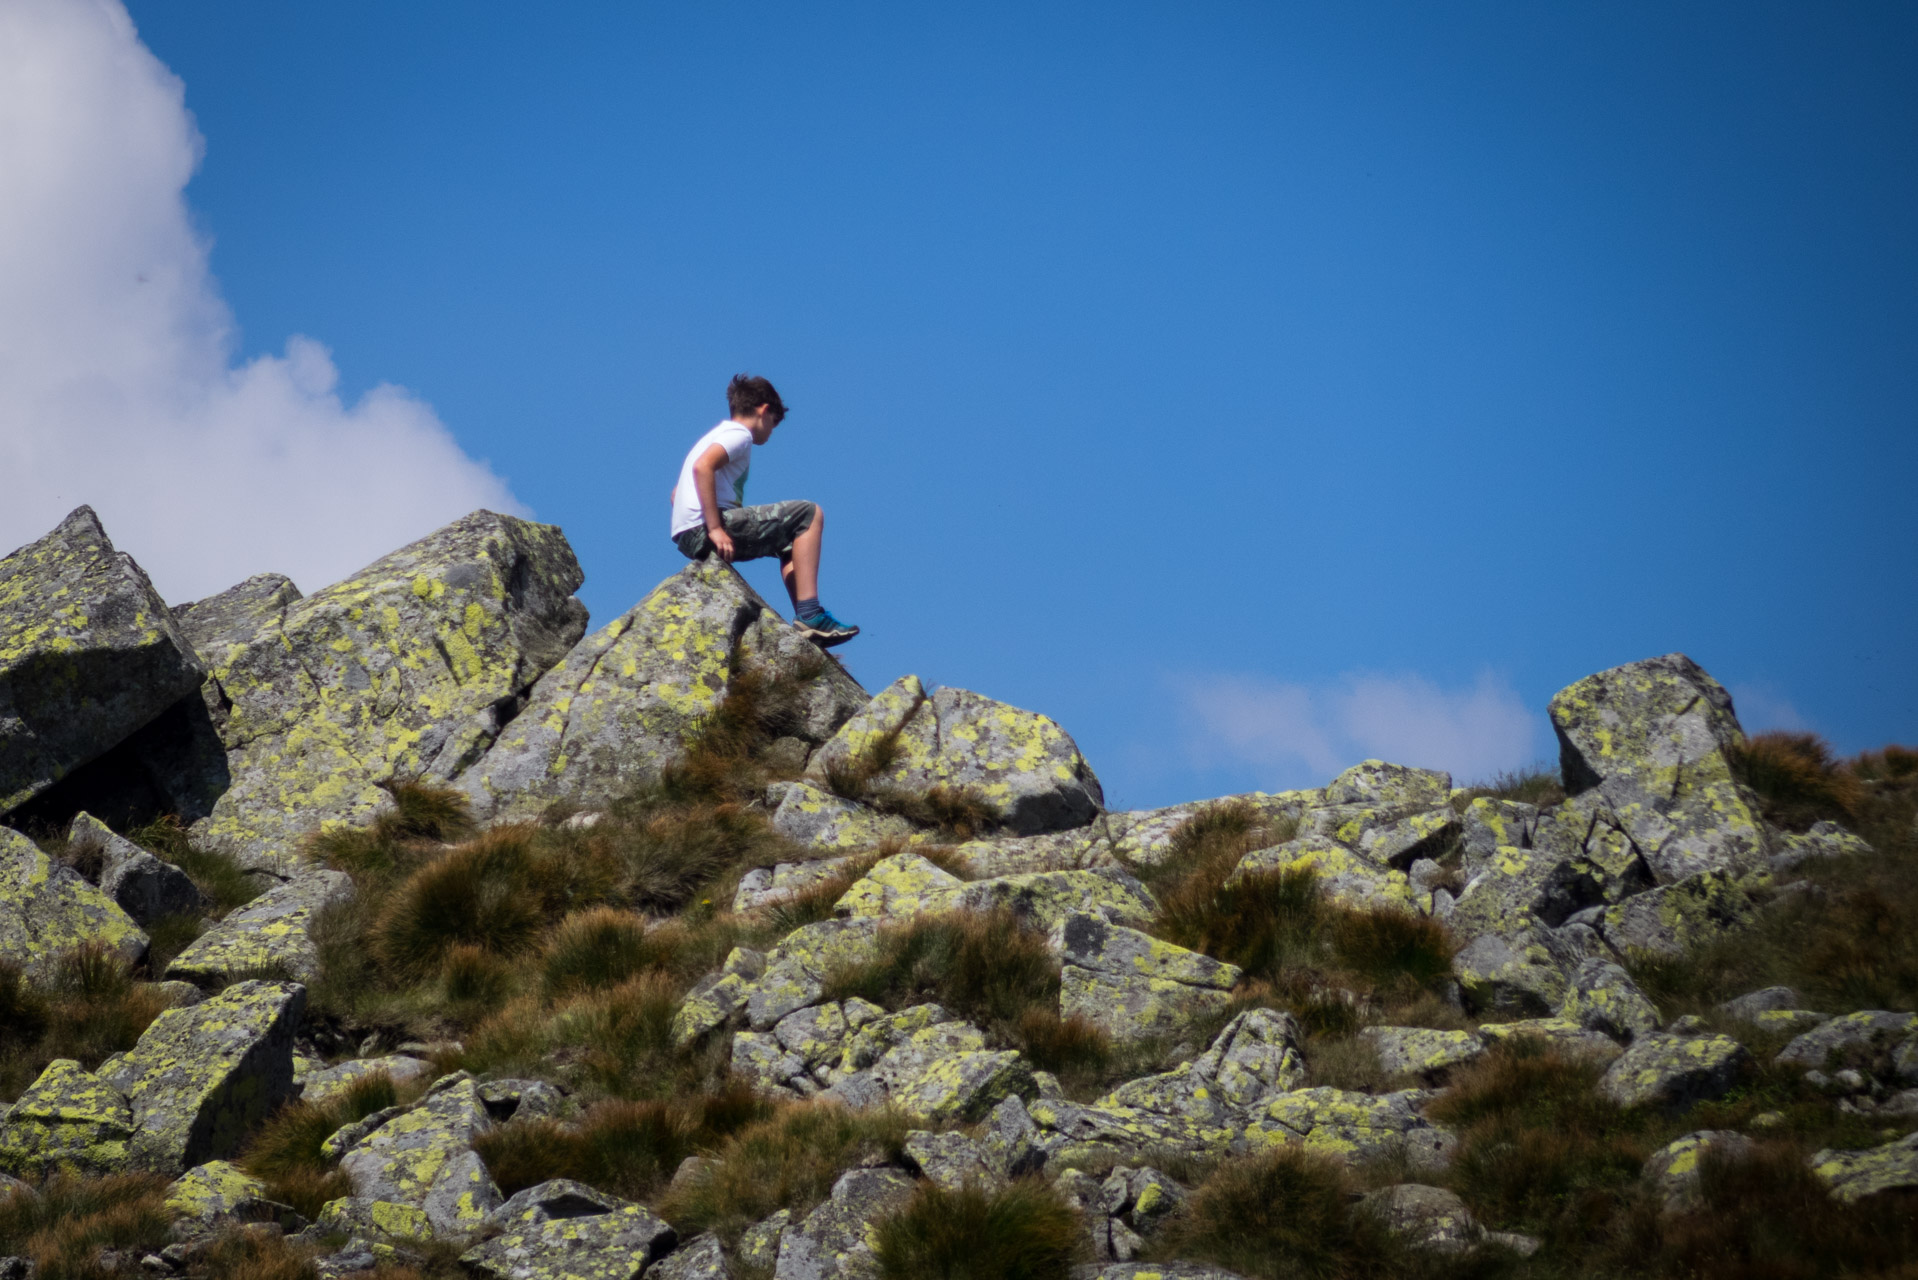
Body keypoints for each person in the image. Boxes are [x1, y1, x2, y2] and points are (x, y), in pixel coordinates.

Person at [668, 374, 859, 647]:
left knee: (790, 545)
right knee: (809, 514)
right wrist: (715, 528)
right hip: (707, 528)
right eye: (773, 423)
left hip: (686, 534)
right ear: (764, 411)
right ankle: (811, 615)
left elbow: (677, 494)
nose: (771, 431)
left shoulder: (713, 435)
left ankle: (808, 621)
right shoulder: (739, 435)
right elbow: (703, 467)